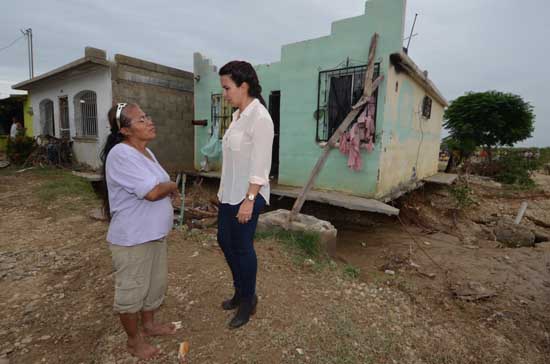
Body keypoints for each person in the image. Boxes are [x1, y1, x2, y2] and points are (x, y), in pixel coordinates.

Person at [100, 103, 180, 360]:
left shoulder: (146, 152)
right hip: (133, 239)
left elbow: (158, 188)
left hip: (154, 235)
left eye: (147, 116)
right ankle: (134, 342)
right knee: (132, 292)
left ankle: (149, 326)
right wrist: (171, 185)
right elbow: (153, 192)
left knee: (153, 286)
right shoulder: (121, 154)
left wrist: (169, 190)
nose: (149, 121)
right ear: (124, 130)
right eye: (141, 120)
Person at [217, 61, 274, 329]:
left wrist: (249, 200)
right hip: (228, 193)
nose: (224, 94)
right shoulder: (238, 116)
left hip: (248, 195)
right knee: (225, 241)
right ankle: (240, 290)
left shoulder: (260, 118)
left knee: (241, 247)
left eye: (227, 88)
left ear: (244, 86)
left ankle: (248, 300)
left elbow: (261, 165)